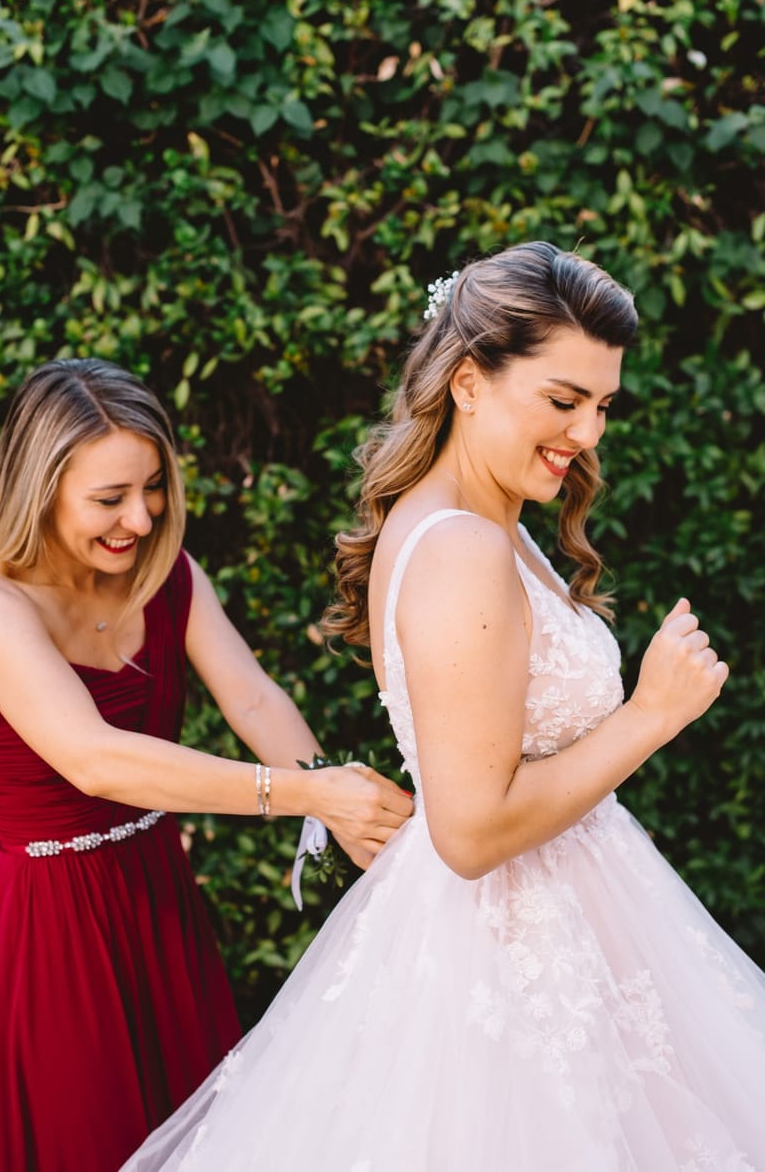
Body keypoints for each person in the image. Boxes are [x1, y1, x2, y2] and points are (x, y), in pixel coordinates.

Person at [121, 242, 765, 1171]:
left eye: (602, 405)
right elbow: (470, 831)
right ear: (469, 382)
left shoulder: (484, 517)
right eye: (562, 400)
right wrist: (651, 714)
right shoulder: (462, 545)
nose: (588, 432)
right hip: (505, 962)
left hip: (569, 933)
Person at [0, 358, 414, 1172]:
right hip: (49, 931)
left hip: (159, 901)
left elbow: (251, 700)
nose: (139, 518)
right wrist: (305, 792)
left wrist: (347, 812)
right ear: (40, 488)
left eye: (154, 488)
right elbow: (94, 759)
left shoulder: (165, 574)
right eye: (109, 498)